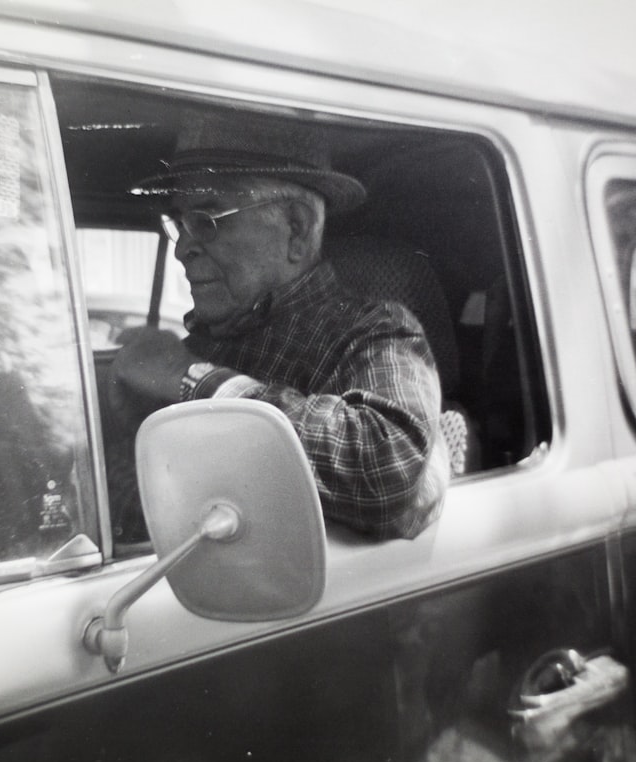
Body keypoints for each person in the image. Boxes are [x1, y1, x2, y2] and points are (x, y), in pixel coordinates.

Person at [107, 113, 449, 540]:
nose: (182, 249)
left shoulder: (373, 332)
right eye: (180, 222)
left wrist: (191, 379)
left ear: (296, 229)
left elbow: (389, 471)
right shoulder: (201, 344)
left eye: (209, 220)